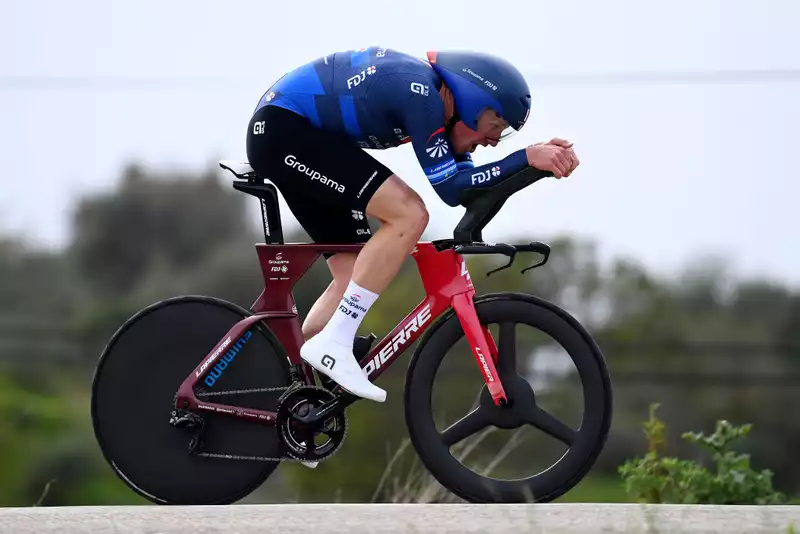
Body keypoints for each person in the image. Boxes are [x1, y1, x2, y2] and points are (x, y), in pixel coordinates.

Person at [245, 47, 579, 403]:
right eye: (495, 126)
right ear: (470, 101)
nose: (493, 140)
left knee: (354, 273)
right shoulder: (420, 95)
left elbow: (470, 184)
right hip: (285, 131)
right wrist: (526, 157)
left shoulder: (435, 103)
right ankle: (334, 343)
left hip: (293, 134)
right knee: (409, 214)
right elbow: (452, 190)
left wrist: (530, 167)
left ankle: (299, 394)